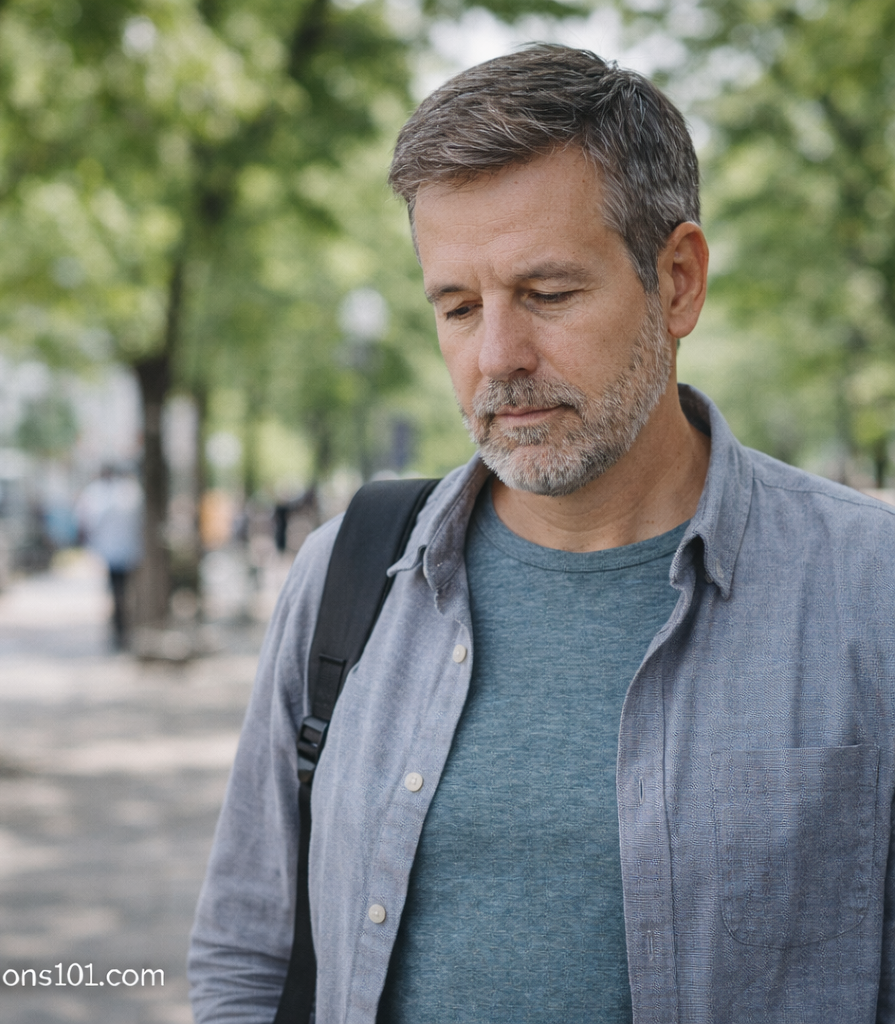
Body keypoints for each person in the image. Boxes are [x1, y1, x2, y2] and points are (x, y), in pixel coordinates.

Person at [188, 46, 895, 1023]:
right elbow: (245, 952)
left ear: (678, 281)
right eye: (457, 306)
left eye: (548, 294)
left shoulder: (870, 594)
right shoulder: (350, 576)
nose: (497, 357)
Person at [75, 463, 142, 650]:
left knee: (118, 593)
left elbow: (87, 523)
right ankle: (123, 630)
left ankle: (121, 631)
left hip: (116, 553)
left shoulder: (103, 496)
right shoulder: (128, 493)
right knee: (123, 593)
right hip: (126, 552)